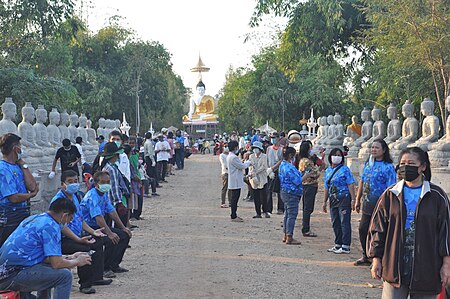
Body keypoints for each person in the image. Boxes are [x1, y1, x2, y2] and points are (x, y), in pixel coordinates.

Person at [367, 147, 450, 298]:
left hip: (427, 265)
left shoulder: (437, 196)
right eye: (403, 163)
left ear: (423, 166)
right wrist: (376, 258)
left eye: (411, 163)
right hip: (394, 264)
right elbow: (377, 229)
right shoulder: (390, 195)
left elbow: (446, 232)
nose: (406, 167)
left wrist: (446, 264)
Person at [0, 198, 92, 298]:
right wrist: (77, 261)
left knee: (52, 269)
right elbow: (57, 264)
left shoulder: (35, 218)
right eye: (70, 219)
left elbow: (45, 258)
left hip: (7, 272)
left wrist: (70, 257)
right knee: (64, 276)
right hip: (11, 276)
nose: (69, 222)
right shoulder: (51, 226)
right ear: (65, 215)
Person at [51, 170, 111, 294]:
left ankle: (97, 277)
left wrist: (93, 232)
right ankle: (85, 284)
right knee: (85, 249)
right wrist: (78, 239)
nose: (74, 184)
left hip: (76, 235)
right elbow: (62, 226)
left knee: (97, 241)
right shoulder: (58, 201)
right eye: (70, 182)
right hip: (63, 239)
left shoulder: (75, 196)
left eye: (75, 181)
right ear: (63, 184)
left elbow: (80, 219)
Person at [353, 139, 396, 266]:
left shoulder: (388, 167)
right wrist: (357, 199)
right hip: (367, 203)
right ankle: (365, 255)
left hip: (381, 205)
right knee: (363, 229)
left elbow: (391, 187)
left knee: (378, 231)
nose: (373, 150)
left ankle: (378, 258)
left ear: (384, 150)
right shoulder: (368, 165)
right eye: (372, 147)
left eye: (377, 148)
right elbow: (362, 182)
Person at [80, 171, 132, 276]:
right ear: (96, 183)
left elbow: (112, 212)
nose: (106, 184)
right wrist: (109, 233)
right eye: (103, 182)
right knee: (110, 240)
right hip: (89, 228)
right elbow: (98, 217)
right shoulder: (92, 196)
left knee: (124, 235)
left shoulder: (103, 195)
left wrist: (123, 227)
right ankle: (104, 268)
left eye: (108, 182)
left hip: (99, 226)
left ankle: (114, 264)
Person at [0, 133, 38, 246]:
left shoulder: (18, 166)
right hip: (10, 217)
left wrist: (24, 165)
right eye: (20, 146)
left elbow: (32, 187)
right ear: (15, 148)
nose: (21, 149)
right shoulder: (3, 169)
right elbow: (14, 197)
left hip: (23, 213)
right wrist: (31, 195)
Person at [322, 148, 356, 254]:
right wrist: (324, 201)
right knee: (335, 221)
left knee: (344, 222)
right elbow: (326, 187)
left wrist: (353, 199)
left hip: (344, 198)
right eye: (334, 155)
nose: (336, 157)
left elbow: (350, 183)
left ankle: (345, 245)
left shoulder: (345, 169)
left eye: (339, 155)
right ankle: (338, 243)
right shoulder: (328, 171)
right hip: (333, 199)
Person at [100, 142, 130, 228]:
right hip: (114, 202)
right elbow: (114, 187)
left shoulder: (108, 166)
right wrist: (119, 202)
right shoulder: (111, 169)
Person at [278, 146, 303, 245]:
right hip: (291, 193)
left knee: (287, 214)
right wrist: (306, 175)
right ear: (290, 156)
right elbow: (297, 181)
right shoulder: (289, 167)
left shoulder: (282, 165)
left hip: (285, 192)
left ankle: (286, 234)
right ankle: (289, 236)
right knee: (291, 215)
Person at [297, 141, 320, 237]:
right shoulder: (307, 161)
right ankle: (306, 229)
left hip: (306, 185)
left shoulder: (303, 160)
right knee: (308, 208)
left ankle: (305, 227)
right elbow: (315, 173)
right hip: (310, 185)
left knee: (307, 207)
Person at [227, 141, 251, 222]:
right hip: (235, 180)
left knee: (234, 198)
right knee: (235, 199)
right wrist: (248, 161)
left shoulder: (230, 156)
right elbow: (242, 166)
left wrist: (243, 160)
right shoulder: (233, 157)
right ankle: (233, 215)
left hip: (234, 179)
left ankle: (234, 214)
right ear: (235, 147)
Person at [248, 141, 269, 218]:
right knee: (256, 196)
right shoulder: (251, 156)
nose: (255, 150)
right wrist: (252, 173)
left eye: (256, 148)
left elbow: (264, 167)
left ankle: (265, 211)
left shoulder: (264, 156)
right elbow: (250, 166)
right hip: (254, 179)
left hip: (262, 178)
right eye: (254, 148)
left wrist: (256, 172)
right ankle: (258, 213)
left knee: (264, 196)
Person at [266, 132, 284, 215]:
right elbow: (267, 159)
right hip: (269, 170)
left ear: (278, 138)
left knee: (279, 190)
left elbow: (281, 160)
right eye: (271, 138)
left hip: (278, 170)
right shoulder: (269, 148)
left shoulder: (282, 149)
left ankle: (280, 208)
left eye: (274, 137)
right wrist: (268, 169)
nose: (273, 139)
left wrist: (273, 168)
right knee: (269, 190)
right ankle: (268, 208)